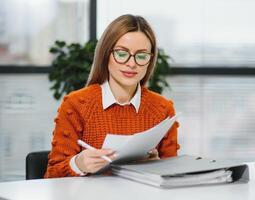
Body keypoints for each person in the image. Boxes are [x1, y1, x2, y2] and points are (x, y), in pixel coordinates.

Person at [44, 14, 180, 178]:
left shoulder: (163, 108)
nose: (132, 63)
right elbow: (51, 177)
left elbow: (174, 180)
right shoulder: (75, 104)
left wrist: (158, 167)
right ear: (106, 54)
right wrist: (79, 164)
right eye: (122, 54)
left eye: (142, 56)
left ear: (150, 61)